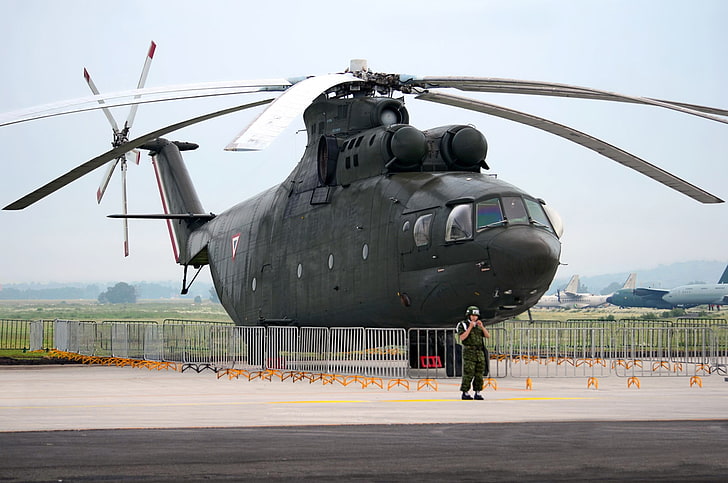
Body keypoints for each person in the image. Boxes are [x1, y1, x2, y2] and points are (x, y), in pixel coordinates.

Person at [457, 305, 490, 400]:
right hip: (469, 351)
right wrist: (470, 327)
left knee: (479, 373)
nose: (474, 317)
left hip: (479, 352)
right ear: (468, 316)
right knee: (469, 372)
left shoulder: (479, 326)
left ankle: (478, 392)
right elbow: (462, 337)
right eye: (472, 316)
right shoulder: (463, 324)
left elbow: (487, 336)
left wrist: (482, 327)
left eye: (476, 316)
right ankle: (465, 392)